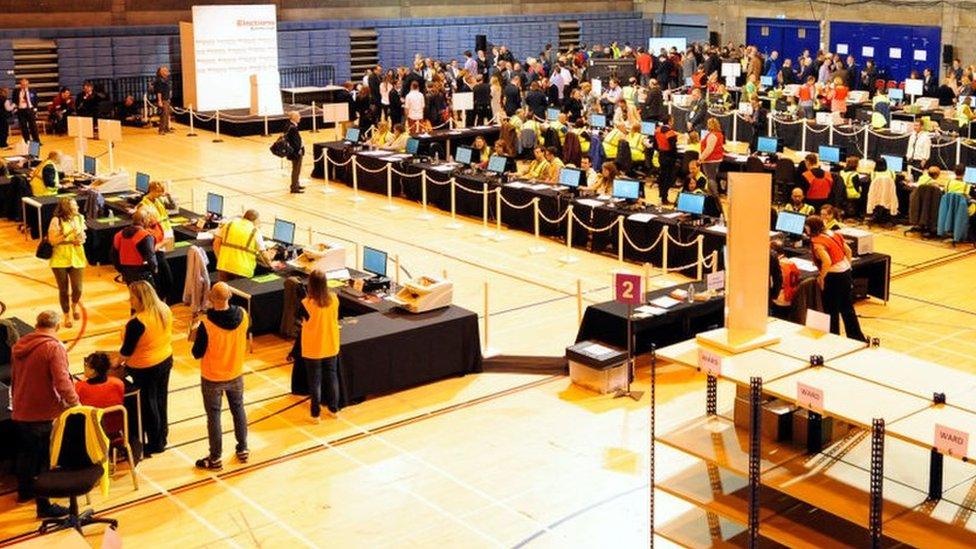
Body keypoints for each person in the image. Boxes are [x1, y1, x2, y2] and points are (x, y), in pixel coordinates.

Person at [11, 310, 79, 518]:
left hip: (21, 406)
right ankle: (44, 505)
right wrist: (75, 403)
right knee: (42, 460)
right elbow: (62, 381)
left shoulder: (19, 345)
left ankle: (24, 493)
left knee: (26, 454)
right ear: (56, 327)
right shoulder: (53, 347)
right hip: (41, 411)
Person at [190, 282, 250, 469]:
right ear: (230, 296)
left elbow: (196, 353)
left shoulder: (207, 324)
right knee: (238, 410)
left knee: (214, 417)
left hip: (212, 376)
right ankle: (243, 448)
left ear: (210, 298)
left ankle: (215, 457)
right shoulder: (243, 314)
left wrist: (194, 329)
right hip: (235, 372)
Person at [120, 281, 173, 457]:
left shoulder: (137, 323)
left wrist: (115, 362)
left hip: (145, 367)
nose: (130, 301)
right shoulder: (164, 309)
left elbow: (126, 352)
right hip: (165, 359)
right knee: (161, 398)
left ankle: (156, 443)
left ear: (142, 299)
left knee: (149, 403)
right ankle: (162, 435)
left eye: (132, 297)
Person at [806, 215, 865, 341]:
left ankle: (834, 339)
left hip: (834, 277)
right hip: (845, 273)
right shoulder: (833, 234)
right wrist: (847, 267)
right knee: (847, 308)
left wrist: (822, 277)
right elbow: (848, 251)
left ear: (810, 228)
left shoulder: (817, 242)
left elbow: (826, 261)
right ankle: (857, 338)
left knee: (831, 310)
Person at [298, 269, 341, 422]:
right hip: (330, 344)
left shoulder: (305, 303)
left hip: (313, 347)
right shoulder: (334, 299)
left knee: (315, 381)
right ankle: (334, 409)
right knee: (332, 377)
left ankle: (315, 414)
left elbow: (300, 320)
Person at [48, 197, 87, 328]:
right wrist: (68, 235)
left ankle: (74, 305)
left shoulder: (80, 218)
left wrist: (82, 239)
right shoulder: (56, 220)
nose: (78, 207)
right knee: (63, 290)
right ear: (67, 208)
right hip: (60, 258)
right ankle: (66, 315)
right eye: (75, 205)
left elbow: (83, 236)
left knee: (78, 288)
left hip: (77, 256)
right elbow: (52, 241)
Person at [214, 209, 271, 281]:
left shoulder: (229, 224)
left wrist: (220, 259)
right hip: (242, 269)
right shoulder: (255, 231)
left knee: (223, 290)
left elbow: (216, 243)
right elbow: (263, 254)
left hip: (224, 265)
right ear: (255, 220)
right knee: (237, 291)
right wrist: (271, 264)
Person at [112, 209, 157, 285]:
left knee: (133, 294)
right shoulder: (146, 236)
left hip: (126, 272)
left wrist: (121, 270)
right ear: (143, 220)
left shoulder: (119, 235)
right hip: (143, 273)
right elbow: (151, 257)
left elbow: (114, 255)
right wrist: (154, 270)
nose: (149, 221)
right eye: (148, 219)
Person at [139, 181, 173, 246]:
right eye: (158, 192)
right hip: (157, 232)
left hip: (167, 228)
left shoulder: (159, 199)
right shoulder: (143, 204)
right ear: (151, 190)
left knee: (170, 252)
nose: (160, 194)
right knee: (160, 253)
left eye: (161, 192)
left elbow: (172, 207)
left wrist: (169, 197)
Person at [654, 115, 678, 204]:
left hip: (661, 156)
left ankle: (661, 195)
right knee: (668, 178)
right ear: (669, 121)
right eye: (672, 121)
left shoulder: (657, 130)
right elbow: (673, 148)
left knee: (662, 177)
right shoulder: (671, 133)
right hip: (669, 157)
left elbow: (655, 145)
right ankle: (664, 197)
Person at [700, 117, 725, 195]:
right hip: (717, 159)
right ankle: (711, 194)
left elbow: (709, 150)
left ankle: (714, 195)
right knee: (712, 178)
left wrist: (700, 158)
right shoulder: (720, 134)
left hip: (710, 160)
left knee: (710, 178)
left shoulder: (712, 136)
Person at [13, 78, 40, 144]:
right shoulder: (16, 91)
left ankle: (36, 141)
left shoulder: (32, 91)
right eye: (23, 84)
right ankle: (27, 141)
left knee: (33, 126)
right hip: (21, 110)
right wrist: (16, 107)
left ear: (28, 84)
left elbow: (36, 100)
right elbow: (14, 100)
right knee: (23, 126)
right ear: (20, 85)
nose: (24, 86)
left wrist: (35, 108)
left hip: (30, 109)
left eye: (25, 84)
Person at [284, 111, 304, 193]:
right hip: (295, 152)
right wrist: (299, 150)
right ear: (294, 118)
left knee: (296, 169)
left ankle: (296, 184)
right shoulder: (292, 127)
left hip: (293, 151)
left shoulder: (289, 125)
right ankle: (294, 187)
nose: (300, 117)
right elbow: (295, 142)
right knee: (296, 169)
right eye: (299, 116)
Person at [153, 66, 172, 135]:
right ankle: (161, 130)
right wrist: (160, 101)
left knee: (167, 115)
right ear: (162, 72)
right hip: (163, 100)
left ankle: (166, 128)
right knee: (163, 115)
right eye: (166, 71)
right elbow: (159, 92)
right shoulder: (159, 81)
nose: (167, 72)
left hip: (167, 99)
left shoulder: (166, 80)